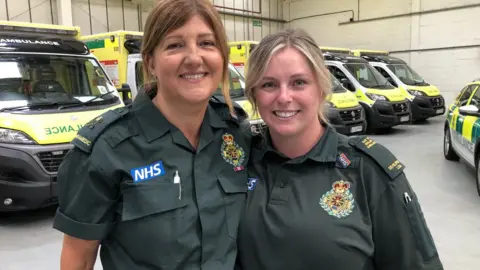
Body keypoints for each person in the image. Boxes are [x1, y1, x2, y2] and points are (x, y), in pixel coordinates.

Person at [52, 0, 251, 269]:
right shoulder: (107, 148)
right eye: (175, 45)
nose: (194, 58)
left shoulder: (236, 134)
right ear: (151, 63)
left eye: (206, 43)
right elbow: (79, 256)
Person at [236, 28, 444, 270]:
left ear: (321, 88)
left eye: (299, 82)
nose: (284, 97)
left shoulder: (369, 172)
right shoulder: (239, 162)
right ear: (253, 93)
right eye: (269, 84)